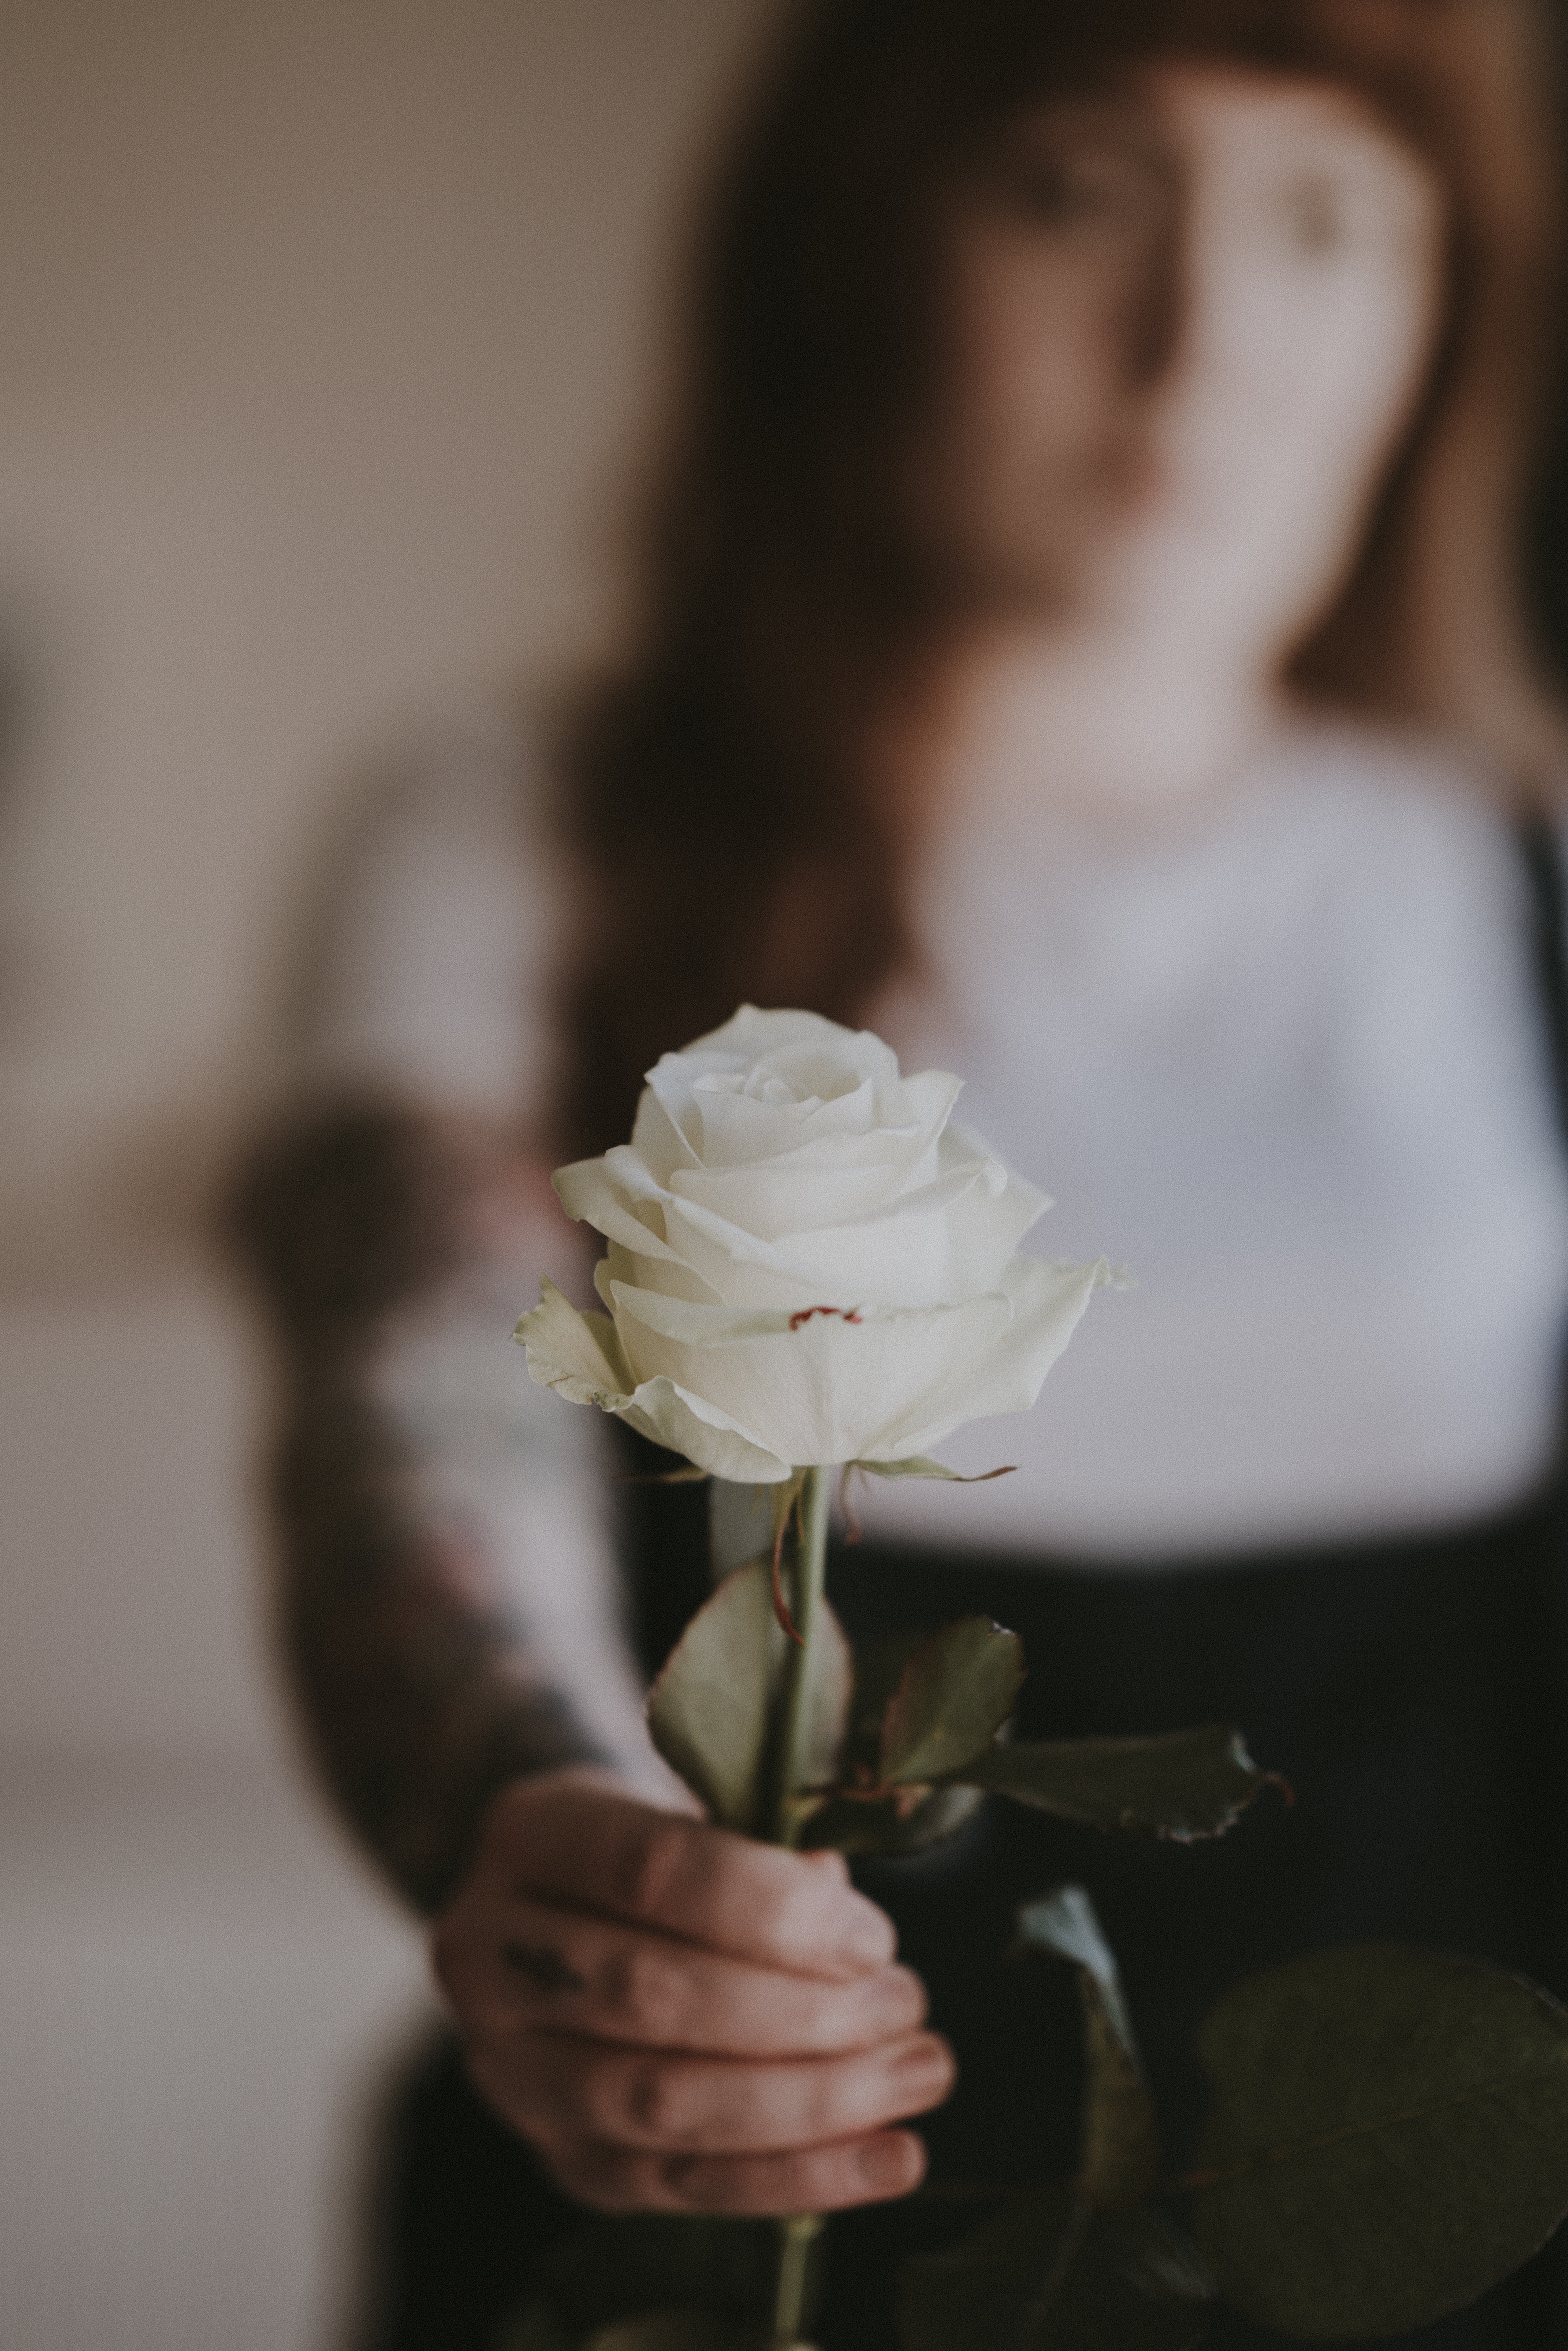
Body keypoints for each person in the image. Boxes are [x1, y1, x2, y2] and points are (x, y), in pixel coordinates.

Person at [230, 1, 1568, 2344]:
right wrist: (560, 1835)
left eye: (1333, 217)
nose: (1210, 338)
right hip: (698, 2243)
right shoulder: (524, 838)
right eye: (1080, 186)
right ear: (856, 245)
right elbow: (407, 1410)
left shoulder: (1514, 879)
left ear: (1444, 307)